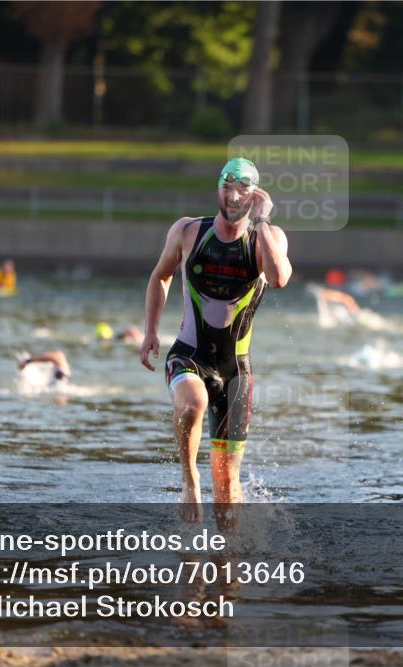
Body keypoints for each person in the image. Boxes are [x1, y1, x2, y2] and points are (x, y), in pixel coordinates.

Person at [140, 157, 291, 523]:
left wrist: (264, 220)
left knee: (227, 487)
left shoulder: (266, 238)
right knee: (192, 405)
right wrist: (150, 331)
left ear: (254, 195)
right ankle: (190, 482)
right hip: (189, 356)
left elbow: (278, 277)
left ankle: (227, 567)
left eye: (242, 188)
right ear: (218, 188)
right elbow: (161, 276)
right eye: (227, 186)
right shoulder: (189, 231)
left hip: (236, 372)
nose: (233, 195)